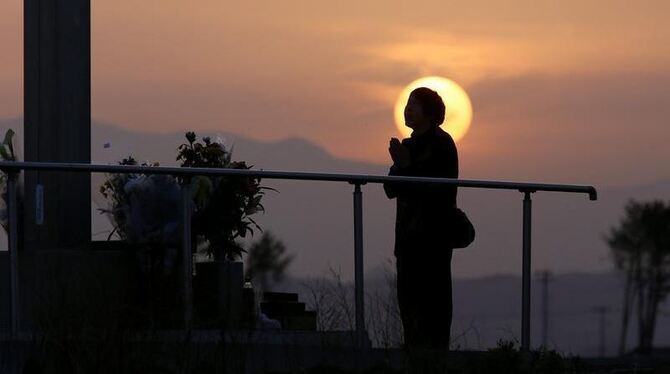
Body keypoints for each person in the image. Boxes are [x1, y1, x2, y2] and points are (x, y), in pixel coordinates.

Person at [383, 87, 459, 365]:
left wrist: (405, 166)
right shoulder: (409, 145)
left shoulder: (442, 144)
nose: (407, 109)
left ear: (428, 112)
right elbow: (391, 188)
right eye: (407, 103)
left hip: (433, 239)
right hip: (407, 240)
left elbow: (432, 187)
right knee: (410, 308)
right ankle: (414, 359)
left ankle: (435, 361)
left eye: (414, 104)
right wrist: (401, 164)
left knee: (434, 307)